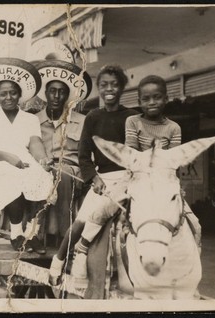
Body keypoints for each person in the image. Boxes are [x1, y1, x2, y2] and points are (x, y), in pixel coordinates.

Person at [49, 65, 139, 285]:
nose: (109, 89)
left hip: (129, 179)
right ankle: (59, 260)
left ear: (122, 88)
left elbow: (137, 152)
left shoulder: (132, 117)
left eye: (114, 84)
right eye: (104, 85)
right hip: (103, 179)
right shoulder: (93, 117)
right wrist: (94, 179)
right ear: (99, 88)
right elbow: (83, 156)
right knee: (81, 220)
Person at [0, 58, 56, 253]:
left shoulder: (29, 118)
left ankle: (32, 233)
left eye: (13, 93)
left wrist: (42, 160)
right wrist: (8, 157)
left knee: (43, 177)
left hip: (22, 158)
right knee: (11, 176)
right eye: (3, 94)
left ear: (20, 95)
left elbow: (35, 143)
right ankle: (16, 233)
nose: (8, 97)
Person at [125, 74, 201, 249]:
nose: (151, 102)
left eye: (157, 97)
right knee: (104, 216)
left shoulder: (173, 128)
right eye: (146, 99)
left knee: (195, 225)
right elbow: (131, 155)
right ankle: (84, 252)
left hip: (164, 184)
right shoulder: (133, 122)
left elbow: (173, 161)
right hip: (137, 182)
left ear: (166, 99)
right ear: (139, 101)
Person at [35, 60, 91, 241]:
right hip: (42, 167)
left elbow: (87, 154)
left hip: (72, 171)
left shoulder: (82, 121)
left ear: (68, 95)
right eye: (53, 91)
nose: (57, 96)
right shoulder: (34, 121)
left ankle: (65, 239)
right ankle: (35, 235)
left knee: (63, 175)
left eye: (62, 92)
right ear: (46, 93)